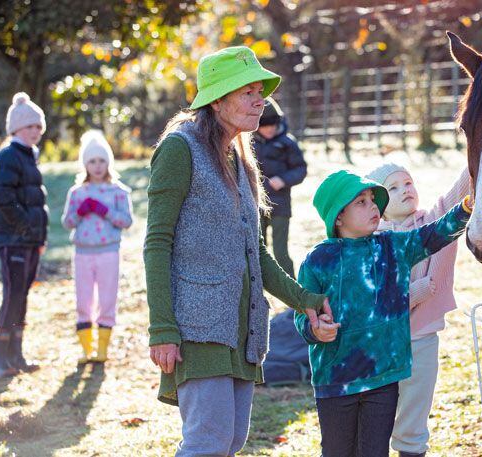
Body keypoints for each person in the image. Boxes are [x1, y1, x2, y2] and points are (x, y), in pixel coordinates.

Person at [144, 46, 331, 457]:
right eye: (247, 91)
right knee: (206, 444)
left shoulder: (240, 155)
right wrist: (162, 329)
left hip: (244, 328)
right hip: (198, 326)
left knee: (229, 442)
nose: (259, 100)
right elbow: (157, 242)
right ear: (218, 99)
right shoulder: (180, 148)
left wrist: (305, 301)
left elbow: (256, 251)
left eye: (259, 91)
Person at [294, 170, 473, 457]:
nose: (373, 207)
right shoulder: (318, 261)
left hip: (384, 378)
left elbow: (435, 233)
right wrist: (315, 329)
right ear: (338, 217)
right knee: (338, 451)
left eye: (373, 200)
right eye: (361, 202)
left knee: (374, 451)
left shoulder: (393, 246)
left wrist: (465, 210)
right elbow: (303, 316)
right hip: (337, 382)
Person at [366, 162, 469, 457]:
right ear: (378, 204)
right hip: (380, 343)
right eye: (393, 187)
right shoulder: (370, 241)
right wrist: (419, 291)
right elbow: (378, 299)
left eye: (408, 183)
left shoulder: (433, 223)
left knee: (414, 415)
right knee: (377, 415)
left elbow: (460, 191)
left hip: (422, 339)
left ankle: (411, 450)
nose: (405, 190)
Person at [61, 130, 133, 364]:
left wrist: (106, 211)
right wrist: (80, 211)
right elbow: (67, 222)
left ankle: (103, 348)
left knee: (107, 298)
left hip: (108, 252)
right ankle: (86, 349)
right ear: (85, 164)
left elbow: (127, 221)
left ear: (109, 162)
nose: (98, 165)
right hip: (83, 253)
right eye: (92, 161)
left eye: (102, 160)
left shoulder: (118, 192)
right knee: (83, 300)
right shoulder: (77, 192)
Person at [0, 92, 48, 378]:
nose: (36, 131)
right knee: (12, 295)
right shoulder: (9, 155)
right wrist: (25, 228)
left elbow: (36, 199)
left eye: (39, 126)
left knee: (23, 296)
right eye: (30, 126)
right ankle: (0, 359)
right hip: (13, 239)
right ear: (16, 129)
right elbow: (3, 198)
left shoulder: (30, 157)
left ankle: (16, 354)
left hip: (30, 241)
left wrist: (39, 238)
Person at [253, 98, 307, 278]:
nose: (270, 129)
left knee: (280, 252)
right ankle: (257, 293)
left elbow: (300, 169)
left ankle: (293, 296)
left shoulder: (287, 143)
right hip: (256, 205)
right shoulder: (249, 143)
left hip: (280, 205)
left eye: (273, 125)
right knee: (257, 251)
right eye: (265, 125)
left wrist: (284, 180)